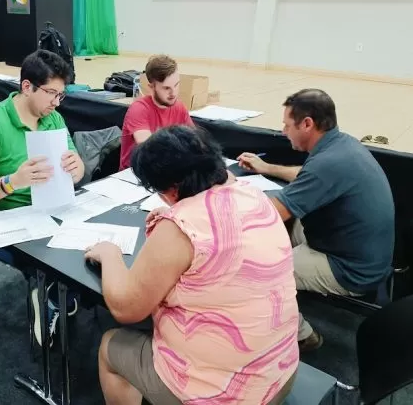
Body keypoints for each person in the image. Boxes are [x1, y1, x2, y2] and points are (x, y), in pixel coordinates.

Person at [85, 126, 299, 405]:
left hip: (222, 395)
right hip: (279, 371)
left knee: (109, 346)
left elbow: (127, 308)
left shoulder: (179, 228)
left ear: (170, 190)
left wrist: (110, 253)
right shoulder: (255, 196)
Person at [237, 88, 395, 352]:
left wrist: (222, 198)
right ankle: (282, 294)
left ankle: (302, 335)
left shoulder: (329, 163)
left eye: (288, 125)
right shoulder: (342, 145)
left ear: (307, 124)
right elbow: (306, 174)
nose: (284, 131)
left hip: (349, 268)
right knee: (279, 234)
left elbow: (271, 213)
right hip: (350, 244)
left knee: (254, 271)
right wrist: (266, 168)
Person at [0, 49, 85, 347]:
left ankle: (58, 292)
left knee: (89, 244)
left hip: (47, 208)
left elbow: (73, 167)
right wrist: (12, 182)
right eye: (51, 93)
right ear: (27, 87)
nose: (56, 102)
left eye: (61, 95)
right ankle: (48, 296)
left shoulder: (52, 118)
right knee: (55, 259)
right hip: (0, 218)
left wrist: (77, 168)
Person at [119, 55, 195, 170]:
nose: (173, 93)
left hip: (166, 170)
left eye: (176, 85)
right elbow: (150, 149)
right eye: (166, 88)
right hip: (136, 175)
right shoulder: (139, 109)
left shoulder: (179, 107)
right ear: (151, 87)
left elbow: (195, 141)